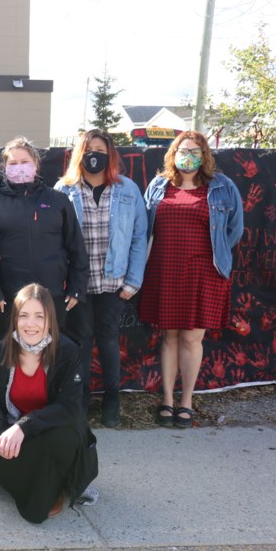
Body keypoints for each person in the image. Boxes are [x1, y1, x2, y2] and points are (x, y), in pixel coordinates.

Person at [138, 131, 244, 429]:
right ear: (173, 154)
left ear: (205, 156)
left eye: (195, 152)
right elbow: (145, 228)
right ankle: (168, 400)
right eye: (184, 151)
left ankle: (187, 401)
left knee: (191, 338)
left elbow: (234, 230)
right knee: (169, 336)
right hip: (163, 269)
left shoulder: (222, 187)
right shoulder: (159, 186)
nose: (189, 156)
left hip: (203, 273)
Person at [0, 283, 98, 524]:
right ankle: (42, 480)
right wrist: (4, 435)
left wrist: (23, 427)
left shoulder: (67, 351)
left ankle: (47, 489)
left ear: (49, 320)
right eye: (24, 316)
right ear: (15, 319)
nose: (31, 324)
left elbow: (70, 408)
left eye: (39, 316)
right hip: (15, 429)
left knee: (55, 442)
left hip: (54, 430)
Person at [55, 129, 148, 427]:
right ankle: (80, 398)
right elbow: (55, 240)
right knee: (80, 339)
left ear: (110, 154)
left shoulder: (127, 189)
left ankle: (112, 399)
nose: (94, 154)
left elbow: (139, 236)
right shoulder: (63, 190)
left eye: (100, 149)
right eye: (89, 149)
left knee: (108, 339)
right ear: (79, 154)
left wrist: (133, 280)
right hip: (77, 283)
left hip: (113, 281)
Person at [0, 136, 88, 331]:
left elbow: (76, 246)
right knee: (14, 354)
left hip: (52, 295)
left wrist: (77, 288)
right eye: (13, 163)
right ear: (4, 167)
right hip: (11, 297)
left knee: (50, 353)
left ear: (36, 163)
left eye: (25, 162)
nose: (19, 167)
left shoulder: (58, 200)